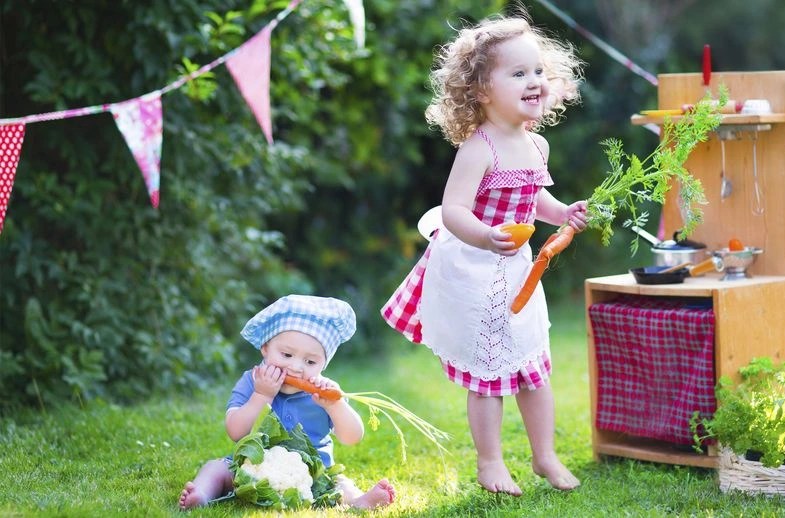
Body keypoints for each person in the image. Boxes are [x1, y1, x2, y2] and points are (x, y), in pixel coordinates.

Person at [381, 14, 587, 496]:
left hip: (518, 273)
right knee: (489, 375)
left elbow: (535, 198)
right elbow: (453, 209)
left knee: (533, 368)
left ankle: (545, 457)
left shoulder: (537, 144)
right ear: (480, 90)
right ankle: (490, 462)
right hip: (475, 271)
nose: (533, 81)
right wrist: (483, 235)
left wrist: (563, 213)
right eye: (517, 74)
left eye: (537, 71)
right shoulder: (479, 148)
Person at [178, 295, 396, 510]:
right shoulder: (252, 381)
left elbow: (352, 437)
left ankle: (359, 501)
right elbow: (236, 432)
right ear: (265, 348)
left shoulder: (325, 391)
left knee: (338, 482)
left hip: (312, 476)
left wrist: (334, 406)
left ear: (324, 364)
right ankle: (202, 495)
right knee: (216, 468)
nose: (296, 367)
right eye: (286, 355)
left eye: (310, 361)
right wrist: (261, 395)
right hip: (250, 468)